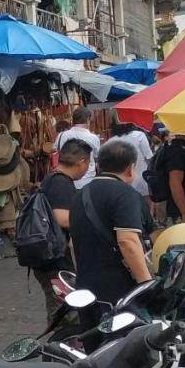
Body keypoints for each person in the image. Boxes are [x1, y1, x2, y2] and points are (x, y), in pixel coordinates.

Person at [69, 138, 152, 309]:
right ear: (130, 168)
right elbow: (127, 241)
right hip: (118, 288)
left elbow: (72, 243)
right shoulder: (125, 194)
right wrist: (147, 285)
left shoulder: (80, 194)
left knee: (91, 335)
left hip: (85, 286)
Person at [33, 139, 90, 321]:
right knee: (64, 313)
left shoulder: (52, 178)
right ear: (82, 162)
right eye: (88, 163)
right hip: (55, 260)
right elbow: (62, 218)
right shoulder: (61, 183)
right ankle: (58, 346)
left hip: (48, 257)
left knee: (62, 309)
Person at [107, 113, 153, 200]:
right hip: (141, 180)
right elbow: (149, 157)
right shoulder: (139, 135)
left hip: (122, 183)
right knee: (146, 209)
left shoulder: (111, 141)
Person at [54, 106, 100, 189]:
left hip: (64, 180)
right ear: (87, 120)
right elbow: (97, 158)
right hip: (87, 181)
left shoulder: (62, 135)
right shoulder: (93, 138)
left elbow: (54, 149)